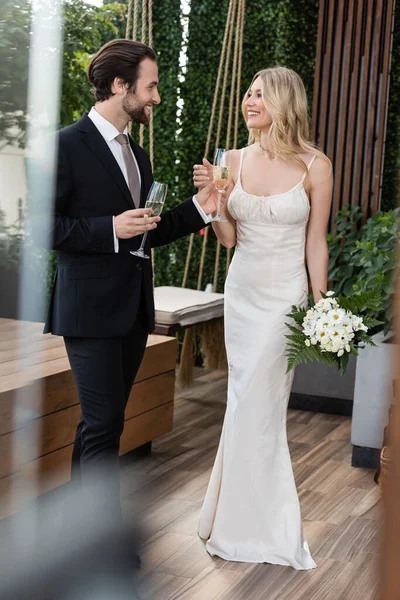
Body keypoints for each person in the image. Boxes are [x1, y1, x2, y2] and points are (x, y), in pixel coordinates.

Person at [42, 39, 218, 555]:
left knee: (105, 424)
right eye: (152, 85)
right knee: (102, 425)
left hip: (133, 310)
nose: (157, 97)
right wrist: (107, 227)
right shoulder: (66, 144)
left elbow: (145, 231)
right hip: (89, 311)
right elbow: (45, 227)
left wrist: (199, 208)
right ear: (121, 86)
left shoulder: (135, 153)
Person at [193, 66, 333, 569]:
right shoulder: (231, 159)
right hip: (244, 291)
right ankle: (226, 520)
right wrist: (217, 202)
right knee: (242, 400)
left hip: (285, 297)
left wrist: (322, 305)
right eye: (248, 94)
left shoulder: (316, 165)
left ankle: (259, 526)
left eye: (260, 95)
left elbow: (315, 241)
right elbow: (229, 238)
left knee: (260, 404)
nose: (250, 102)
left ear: (284, 103)